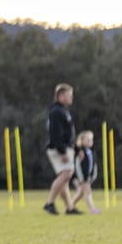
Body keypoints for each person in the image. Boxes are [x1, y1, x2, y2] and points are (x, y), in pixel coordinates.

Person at [44, 83, 79, 215]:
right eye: (69, 95)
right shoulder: (56, 112)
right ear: (61, 96)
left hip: (65, 147)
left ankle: (69, 207)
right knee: (67, 173)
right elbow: (55, 133)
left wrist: (76, 149)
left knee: (63, 178)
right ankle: (50, 202)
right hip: (59, 148)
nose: (71, 98)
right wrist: (62, 150)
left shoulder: (62, 111)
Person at [70, 129, 101, 214]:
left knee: (80, 193)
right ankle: (92, 208)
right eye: (88, 140)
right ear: (82, 141)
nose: (90, 141)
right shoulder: (80, 152)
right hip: (80, 177)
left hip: (88, 177)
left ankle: (70, 206)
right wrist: (80, 177)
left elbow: (93, 164)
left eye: (91, 139)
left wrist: (94, 174)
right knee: (87, 190)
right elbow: (77, 165)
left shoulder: (91, 152)